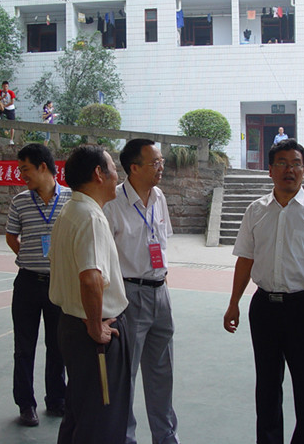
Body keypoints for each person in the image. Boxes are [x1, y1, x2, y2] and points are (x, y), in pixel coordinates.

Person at [223, 138, 304, 444]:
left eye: (296, 164)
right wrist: (234, 303)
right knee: (267, 385)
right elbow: (245, 260)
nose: (289, 170)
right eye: (282, 163)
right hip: (264, 307)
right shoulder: (256, 211)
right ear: (270, 170)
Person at [50, 145, 130, 444]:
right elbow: (91, 278)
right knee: (101, 419)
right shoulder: (91, 217)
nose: (117, 176)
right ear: (99, 173)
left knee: (80, 413)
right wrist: (96, 327)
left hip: (72, 325)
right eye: (113, 168)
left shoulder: (70, 211)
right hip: (94, 333)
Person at [103, 139, 180, 444]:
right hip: (129, 295)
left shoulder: (159, 197)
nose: (161, 167)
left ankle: (166, 436)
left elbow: (161, 242)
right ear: (133, 168)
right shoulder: (113, 203)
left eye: (161, 161)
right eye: (155, 163)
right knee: (127, 375)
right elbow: (105, 259)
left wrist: (162, 284)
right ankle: (125, 437)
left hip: (160, 292)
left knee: (163, 372)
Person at [5, 143, 71, 427]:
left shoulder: (71, 198)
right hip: (28, 283)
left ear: (43, 167)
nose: (22, 175)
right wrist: (29, 255)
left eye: (25, 169)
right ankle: (26, 404)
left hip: (59, 284)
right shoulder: (20, 201)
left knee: (58, 345)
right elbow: (11, 236)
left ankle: (56, 399)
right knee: (24, 346)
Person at [0, 80, 16, 145]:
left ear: (8, 86)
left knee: (12, 124)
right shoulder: (0, 92)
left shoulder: (11, 92)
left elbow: (12, 102)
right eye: (4, 86)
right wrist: (3, 97)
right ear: (2, 86)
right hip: (3, 107)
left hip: (10, 108)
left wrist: (5, 105)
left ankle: (11, 140)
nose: (5, 88)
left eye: (6, 86)